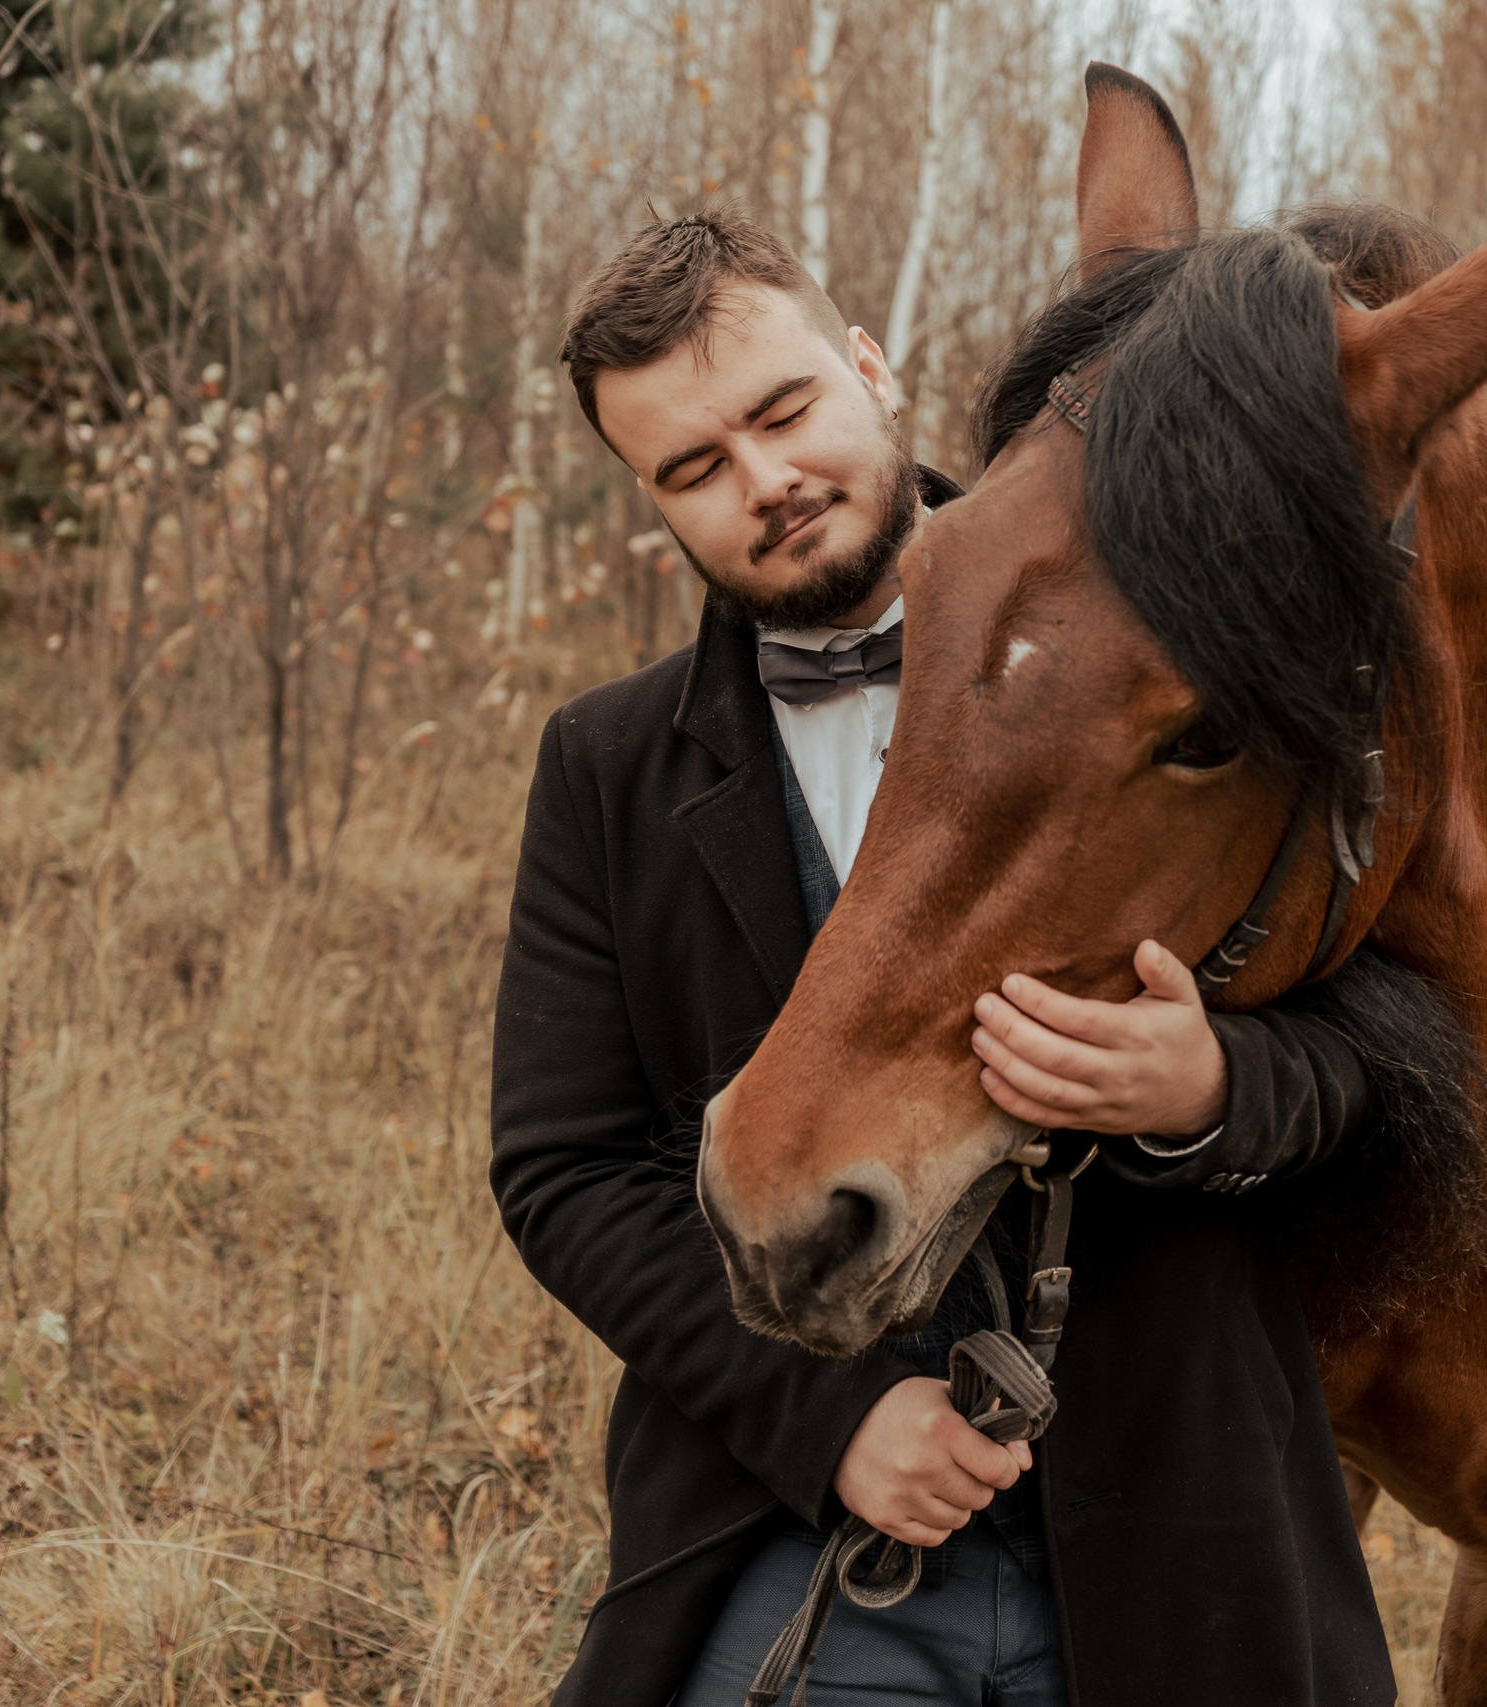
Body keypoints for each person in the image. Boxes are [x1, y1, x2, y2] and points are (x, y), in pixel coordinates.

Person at [490, 209, 1394, 1707]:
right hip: (798, 1528)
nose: (764, 484)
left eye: (783, 414)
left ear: (870, 366)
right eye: (693, 469)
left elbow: (1389, 1041)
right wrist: (830, 1419)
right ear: (650, 501)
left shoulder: (1184, 654)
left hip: (1183, 1535)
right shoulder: (608, 766)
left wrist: (1215, 1086)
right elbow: (563, 1168)